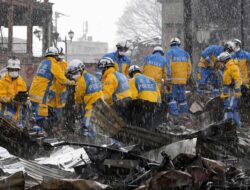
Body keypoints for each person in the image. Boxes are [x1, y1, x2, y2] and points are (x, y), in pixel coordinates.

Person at [29, 47, 75, 134]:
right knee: (41, 113)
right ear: (55, 56)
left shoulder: (43, 63)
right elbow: (62, 79)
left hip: (33, 92)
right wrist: (71, 82)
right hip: (41, 93)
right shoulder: (53, 64)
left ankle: (37, 127)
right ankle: (38, 132)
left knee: (38, 112)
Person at [66, 59, 103, 137]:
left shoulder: (81, 81)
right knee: (93, 125)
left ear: (81, 70)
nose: (74, 75)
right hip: (100, 104)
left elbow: (78, 97)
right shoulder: (91, 76)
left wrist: (77, 106)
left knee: (87, 125)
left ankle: (90, 144)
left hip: (92, 106)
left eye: (75, 73)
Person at [165, 37, 192, 117]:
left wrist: (168, 78)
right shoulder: (185, 53)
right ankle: (184, 115)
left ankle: (175, 115)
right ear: (179, 44)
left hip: (173, 81)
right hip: (183, 81)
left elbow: (167, 66)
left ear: (171, 44)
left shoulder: (170, 53)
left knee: (172, 98)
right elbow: (189, 68)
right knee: (182, 99)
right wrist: (187, 77)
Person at [216, 52, 242, 127]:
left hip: (232, 91)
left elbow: (237, 80)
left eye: (221, 61)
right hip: (229, 90)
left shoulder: (233, 67)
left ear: (224, 60)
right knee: (233, 109)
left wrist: (237, 91)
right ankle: (238, 126)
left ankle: (227, 127)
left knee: (228, 109)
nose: (220, 63)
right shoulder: (227, 67)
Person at [0, 58, 27, 127]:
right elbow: (1, 97)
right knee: (6, 126)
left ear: (18, 70)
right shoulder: (2, 82)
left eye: (15, 70)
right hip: (5, 110)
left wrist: (25, 101)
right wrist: (11, 100)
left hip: (18, 111)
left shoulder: (22, 83)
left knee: (18, 129)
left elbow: (24, 97)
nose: (13, 71)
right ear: (8, 70)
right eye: (12, 69)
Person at [46, 47, 68, 126]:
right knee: (52, 110)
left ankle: (58, 126)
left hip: (60, 91)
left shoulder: (65, 64)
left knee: (59, 111)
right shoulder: (54, 64)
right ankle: (53, 126)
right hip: (53, 91)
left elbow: (65, 77)